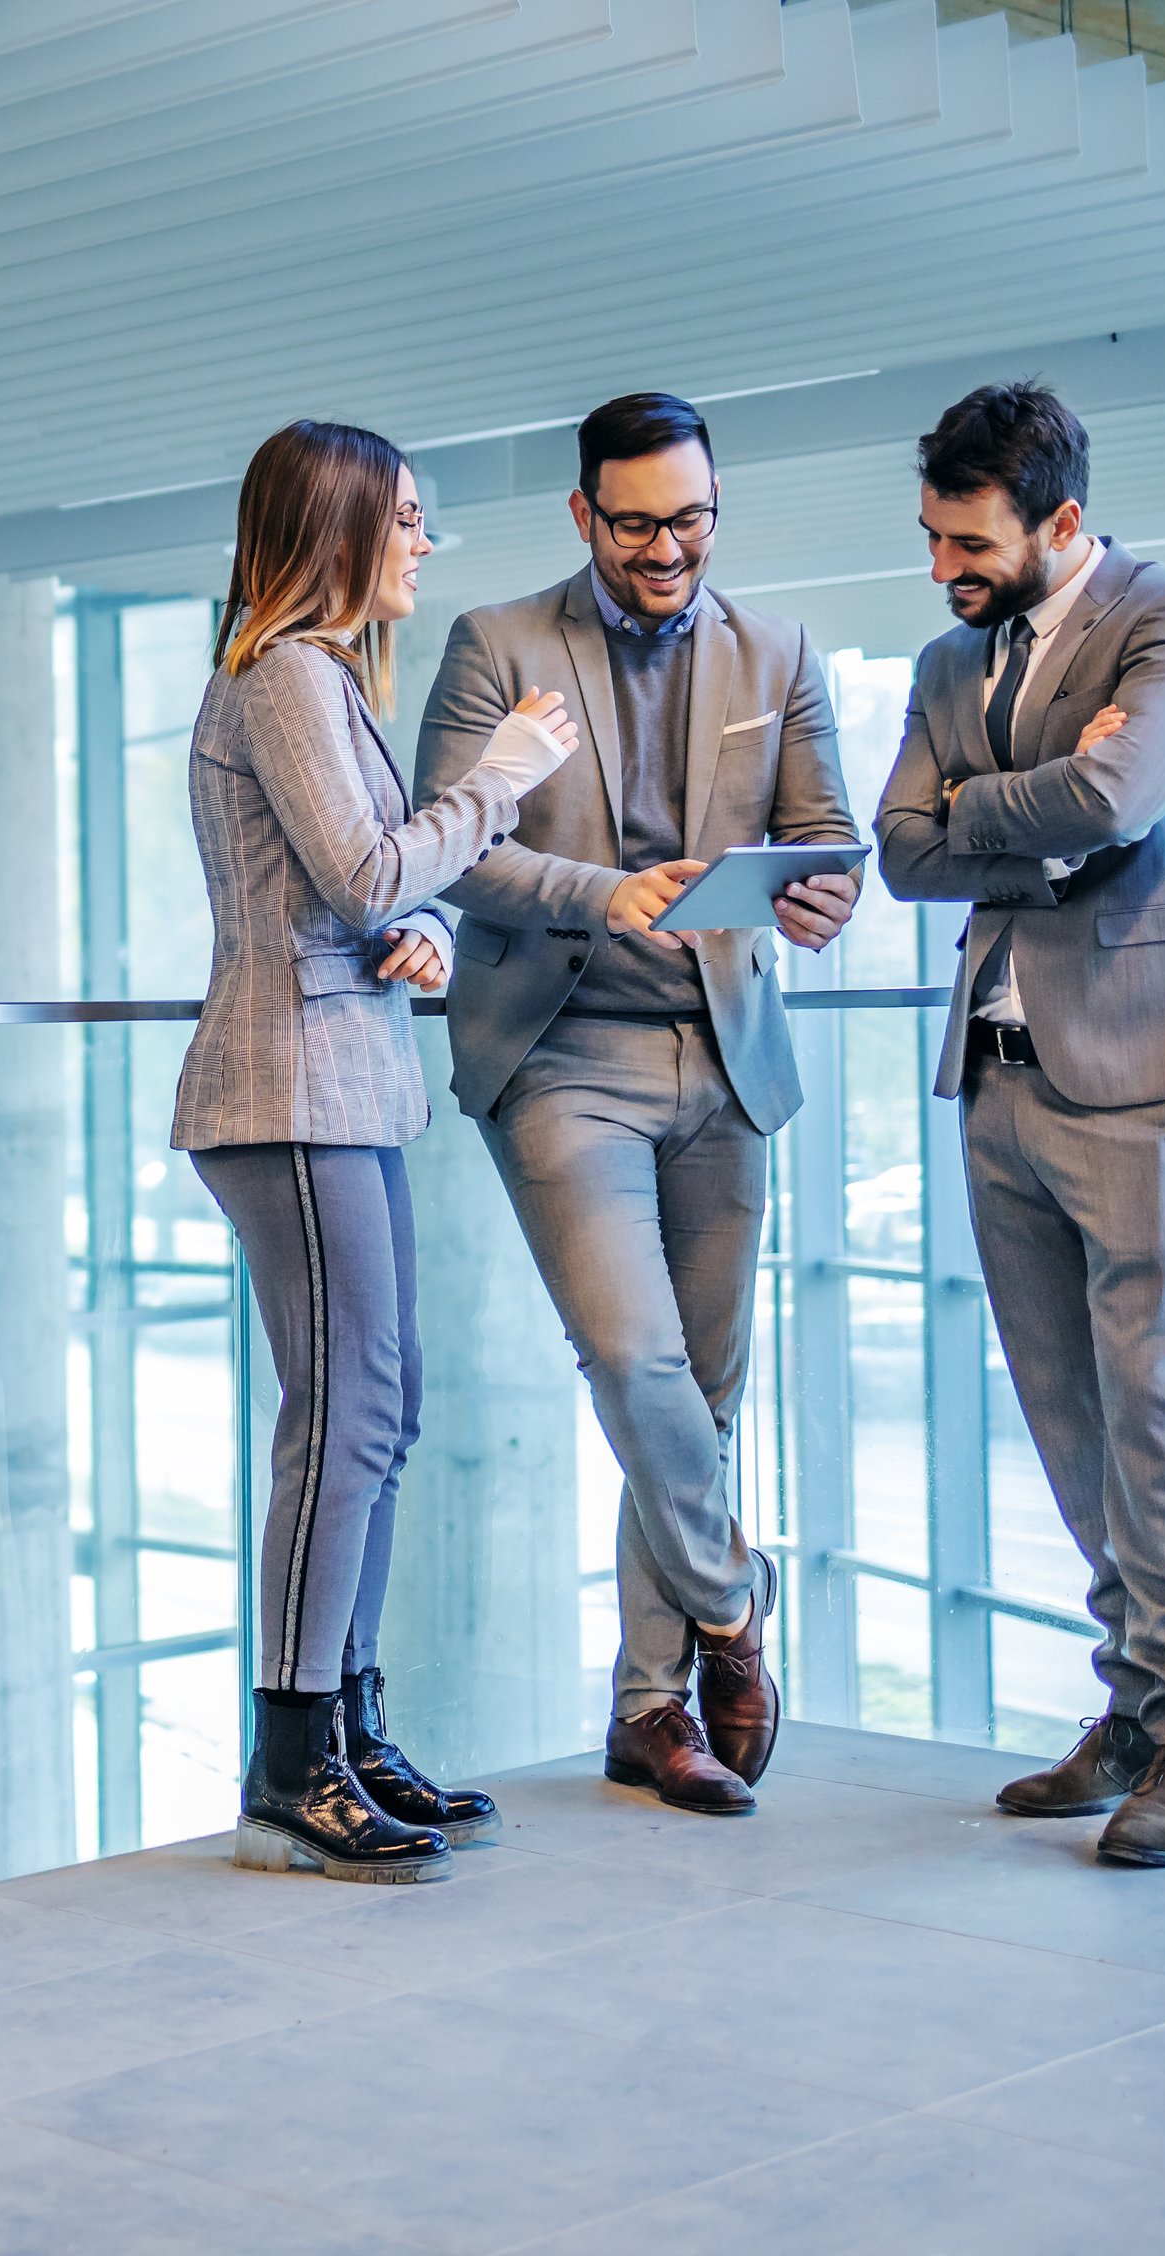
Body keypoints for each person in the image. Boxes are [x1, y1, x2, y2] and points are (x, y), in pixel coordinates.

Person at [412, 392, 861, 1818]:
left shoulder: (775, 650)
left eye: (694, 520)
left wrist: (821, 892)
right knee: (634, 1362)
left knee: (705, 1395)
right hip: (561, 1051)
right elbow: (456, 851)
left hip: (725, 1051)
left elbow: (818, 830)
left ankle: (652, 1710)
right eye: (641, 524)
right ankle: (739, 1604)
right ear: (583, 515)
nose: (672, 549)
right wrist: (610, 893)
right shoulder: (499, 643)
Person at [874, 380, 1165, 1868]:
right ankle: (1129, 1700)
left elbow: (1121, 785)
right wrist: (1037, 822)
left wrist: (1008, 804)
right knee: (1067, 1415)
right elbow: (901, 850)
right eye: (931, 538)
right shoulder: (943, 659)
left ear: (1060, 520)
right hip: (1000, 1071)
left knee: (1157, 1403)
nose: (942, 571)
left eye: (967, 542)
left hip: (1155, 1065)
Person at [178, 417, 579, 1884]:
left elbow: (344, 893)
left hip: (335, 1088)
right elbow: (358, 863)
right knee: (343, 1420)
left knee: (378, 1412)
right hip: (287, 1097)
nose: (424, 542)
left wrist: (407, 928)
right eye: (407, 518)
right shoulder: (284, 673)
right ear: (340, 528)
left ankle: (342, 1725)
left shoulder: (317, 682)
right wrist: (502, 774)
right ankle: (294, 1763)